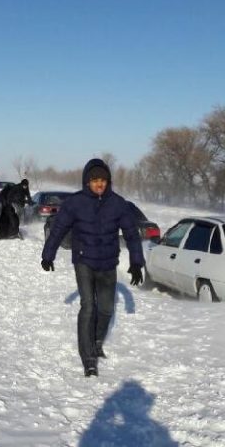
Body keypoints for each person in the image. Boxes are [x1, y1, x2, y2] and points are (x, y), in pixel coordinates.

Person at [41, 158, 145, 377]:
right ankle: (88, 358)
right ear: (87, 182)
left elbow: (132, 235)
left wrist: (136, 262)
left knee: (106, 309)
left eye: (103, 180)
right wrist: (48, 255)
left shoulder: (118, 204)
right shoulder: (75, 203)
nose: (100, 184)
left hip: (108, 263)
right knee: (88, 306)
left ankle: (97, 341)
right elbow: (58, 229)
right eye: (95, 180)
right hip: (84, 261)